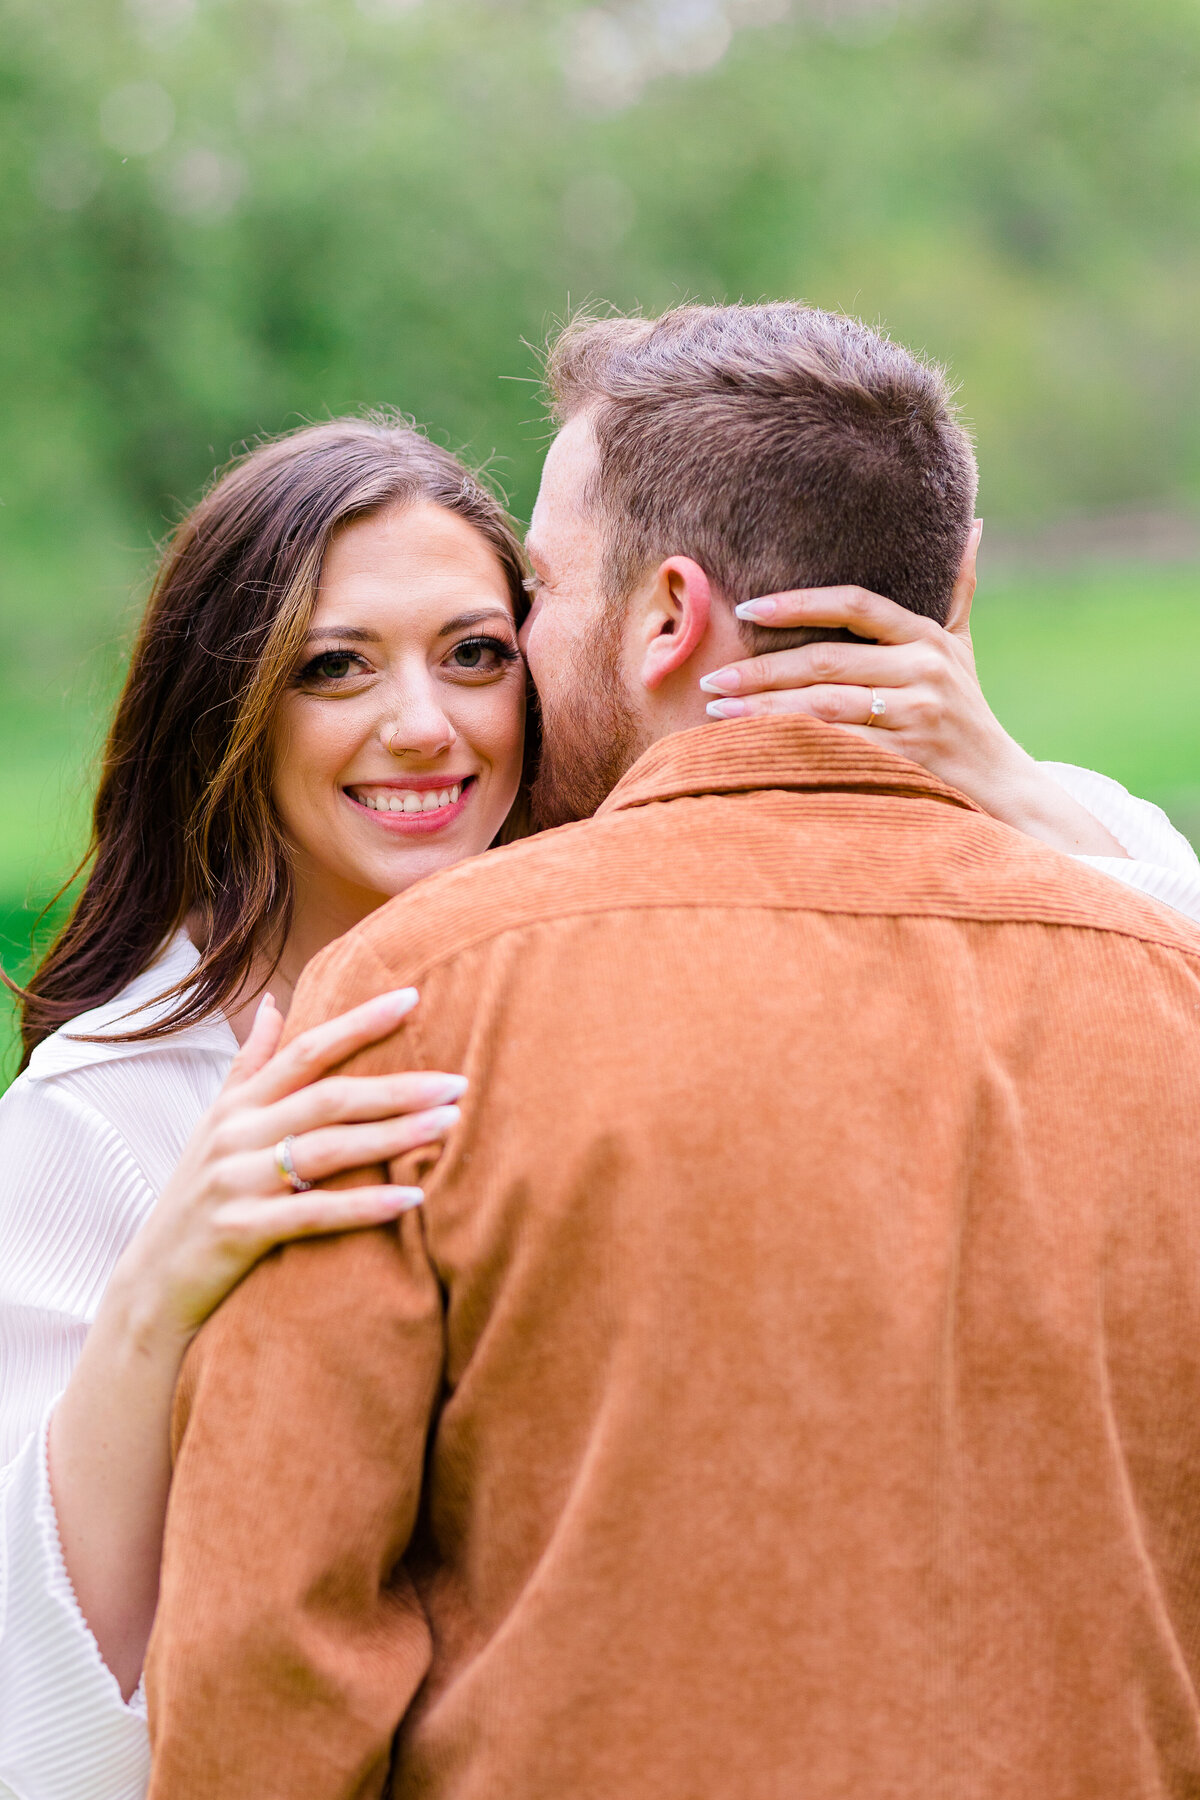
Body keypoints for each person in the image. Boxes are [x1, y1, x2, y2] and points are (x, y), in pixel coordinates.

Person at [2, 393, 1198, 1800]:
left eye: (476, 654)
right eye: (335, 667)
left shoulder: (623, 977)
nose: (421, 726)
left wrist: (1003, 781)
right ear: (232, 709)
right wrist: (159, 1294)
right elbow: (46, 1712)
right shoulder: (106, 1110)